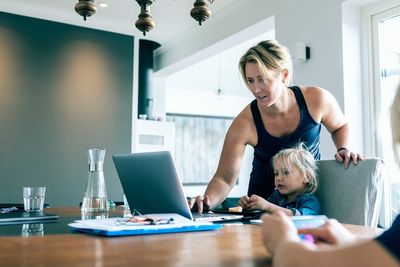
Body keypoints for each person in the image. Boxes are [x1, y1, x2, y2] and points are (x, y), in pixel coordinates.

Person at [189, 40, 362, 213]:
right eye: (250, 80)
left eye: (263, 79)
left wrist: (343, 148)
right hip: (260, 209)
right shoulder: (244, 122)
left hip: (302, 207)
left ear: (284, 75)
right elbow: (225, 178)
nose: (255, 89)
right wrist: (206, 202)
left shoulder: (316, 99)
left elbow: (340, 125)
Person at [260, 83, 400, 267]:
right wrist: (349, 241)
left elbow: (296, 261)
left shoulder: (307, 200)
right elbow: (383, 253)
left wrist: (282, 240)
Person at [238, 144, 320, 216]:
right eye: (276, 173)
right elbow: (261, 213)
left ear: (307, 177)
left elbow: (299, 217)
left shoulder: (309, 201)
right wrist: (249, 206)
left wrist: (267, 206)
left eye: (286, 172)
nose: (278, 178)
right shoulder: (276, 197)